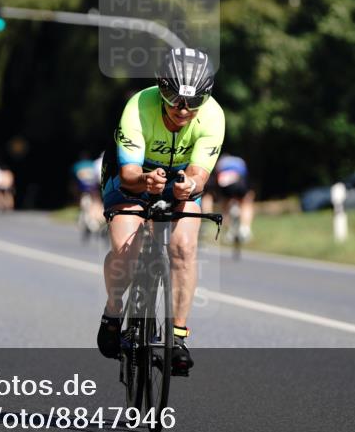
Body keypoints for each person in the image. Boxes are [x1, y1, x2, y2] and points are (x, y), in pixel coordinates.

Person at [97, 47, 224, 376]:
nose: (183, 110)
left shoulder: (213, 116)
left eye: (194, 102)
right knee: (125, 250)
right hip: (132, 175)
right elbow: (129, 175)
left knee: (184, 247)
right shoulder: (139, 106)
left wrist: (189, 186)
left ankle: (177, 336)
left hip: (180, 178)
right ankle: (113, 311)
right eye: (174, 98)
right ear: (160, 89)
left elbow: (199, 175)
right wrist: (145, 180)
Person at [214, 153, 254, 241]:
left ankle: (228, 231)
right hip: (239, 180)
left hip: (225, 183)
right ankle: (245, 228)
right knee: (246, 202)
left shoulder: (221, 162)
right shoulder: (239, 160)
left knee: (225, 205)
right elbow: (245, 176)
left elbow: (217, 178)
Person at [72, 152, 104, 236]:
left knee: (85, 205)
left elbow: (74, 180)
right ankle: (96, 221)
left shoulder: (77, 165)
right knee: (96, 203)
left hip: (83, 189)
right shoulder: (91, 164)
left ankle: (90, 222)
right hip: (94, 188)